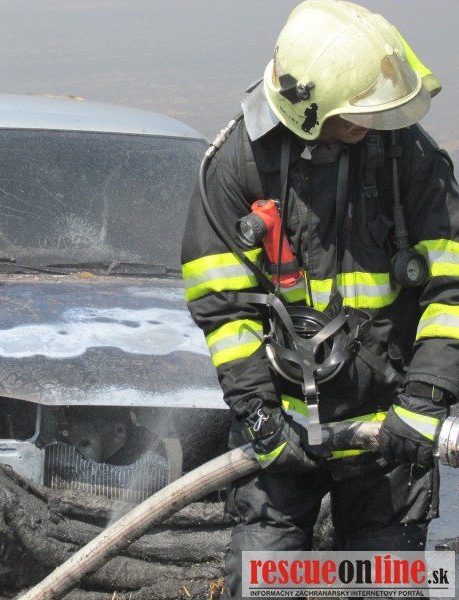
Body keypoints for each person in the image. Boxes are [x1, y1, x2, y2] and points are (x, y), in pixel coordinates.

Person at [180, 1, 459, 597]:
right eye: (357, 110)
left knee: (389, 585)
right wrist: (259, 416)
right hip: (280, 436)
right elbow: (222, 307)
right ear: (310, 107)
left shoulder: (408, 158)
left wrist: (425, 401)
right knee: (264, 583)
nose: (373, 120)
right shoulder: (237, 165)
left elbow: (453, 288)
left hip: (389, 433)